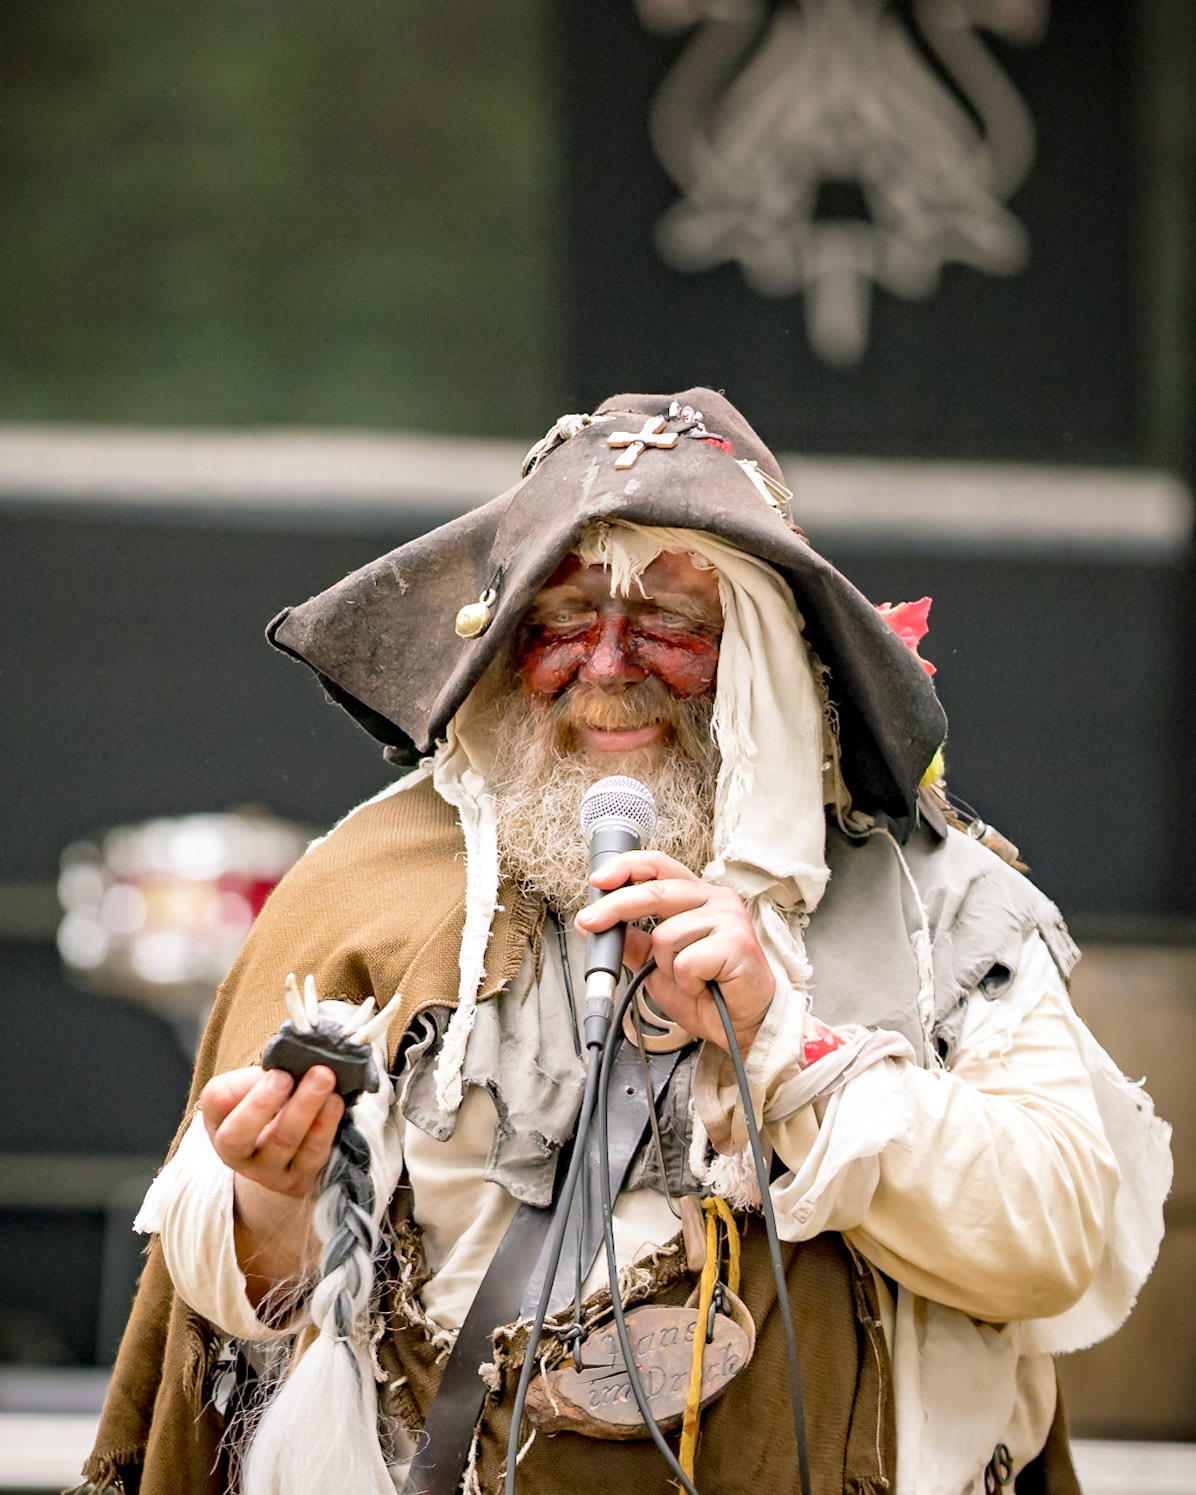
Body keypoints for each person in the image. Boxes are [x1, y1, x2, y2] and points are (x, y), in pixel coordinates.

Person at [82, 388, 1171, 1495]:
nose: (606, 668)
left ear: (763, 653)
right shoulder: (365, 885)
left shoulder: (932, 903)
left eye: (669, 623)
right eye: (560, 623)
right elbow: (235, 1314)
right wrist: (274, 1200)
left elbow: (1054, 1244)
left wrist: (781, 1044)